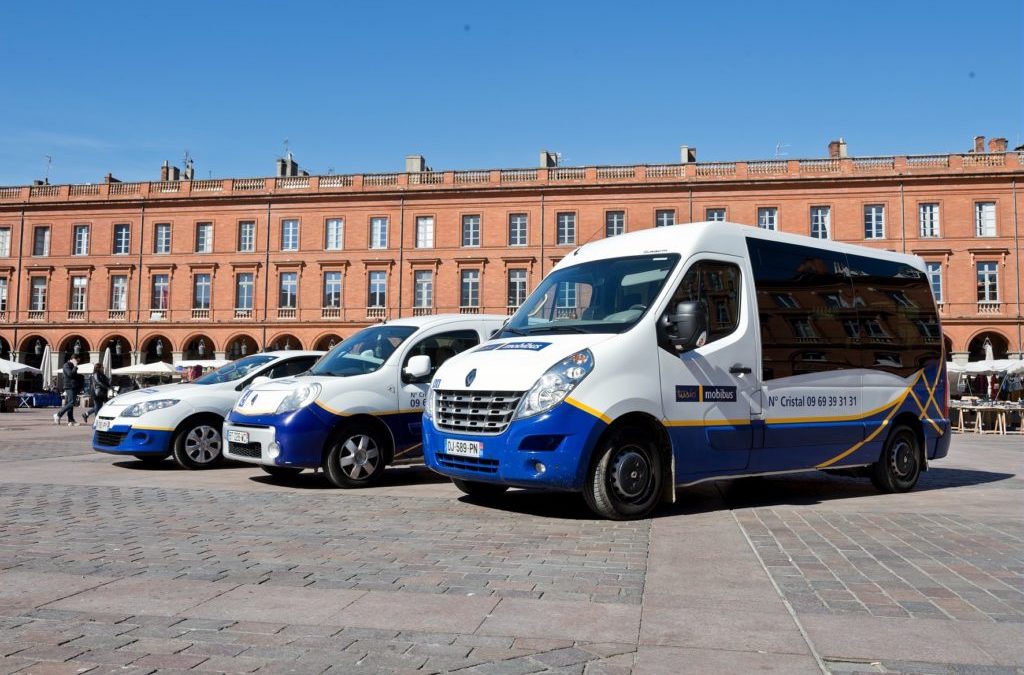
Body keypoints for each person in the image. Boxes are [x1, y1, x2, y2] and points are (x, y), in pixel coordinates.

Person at [54, 355, 82, 426]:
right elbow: (70, 374)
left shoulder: (72, 365)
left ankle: (71, 420)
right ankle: (58, 414)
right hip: (69, 386)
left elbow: (74, 375)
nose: (78, 362)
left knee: (70, 403)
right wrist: (75, 366)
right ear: (72, 359)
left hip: (73, 386)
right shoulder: (66, 365)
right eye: (77, 360)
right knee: (72, 402)